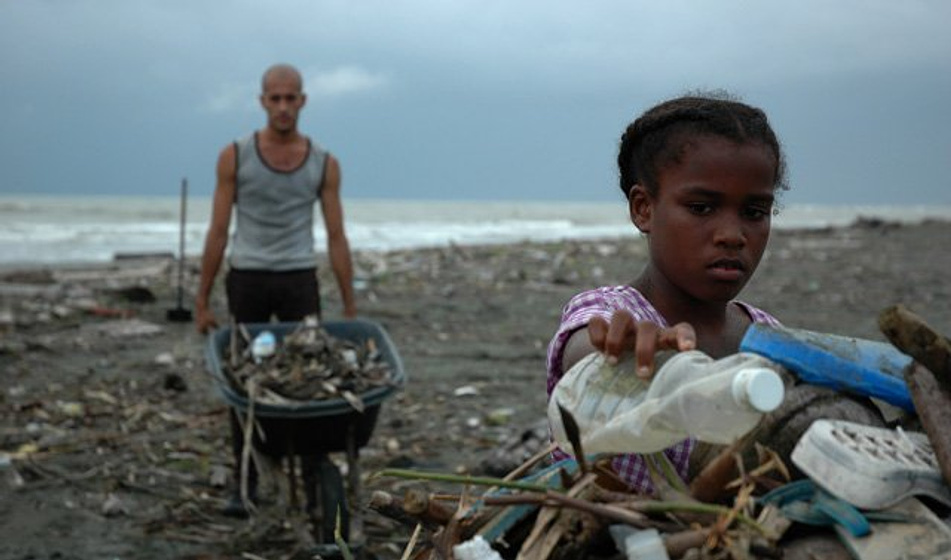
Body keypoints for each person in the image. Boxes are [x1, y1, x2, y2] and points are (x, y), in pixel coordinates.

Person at [546, 93, 786, 494]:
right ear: (643, 208)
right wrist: (623, 357)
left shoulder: (767, 335)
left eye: (754, 212)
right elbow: (584, 347)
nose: (732, 235)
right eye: (702, 208)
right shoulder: (612, 311)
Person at [195, 63, 357, 517]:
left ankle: (311, 486)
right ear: (263, 101)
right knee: (243, 379)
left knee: (309, 379)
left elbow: (337, 235)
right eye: (275, 98)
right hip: (247, 278)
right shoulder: (235, 155)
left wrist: (349, 305)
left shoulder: (324, 162)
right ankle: (244, 486)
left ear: (302, 101)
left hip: (299, 279)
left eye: (291, 98)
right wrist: (202, 300)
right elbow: (218, 230)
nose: (283, 106)